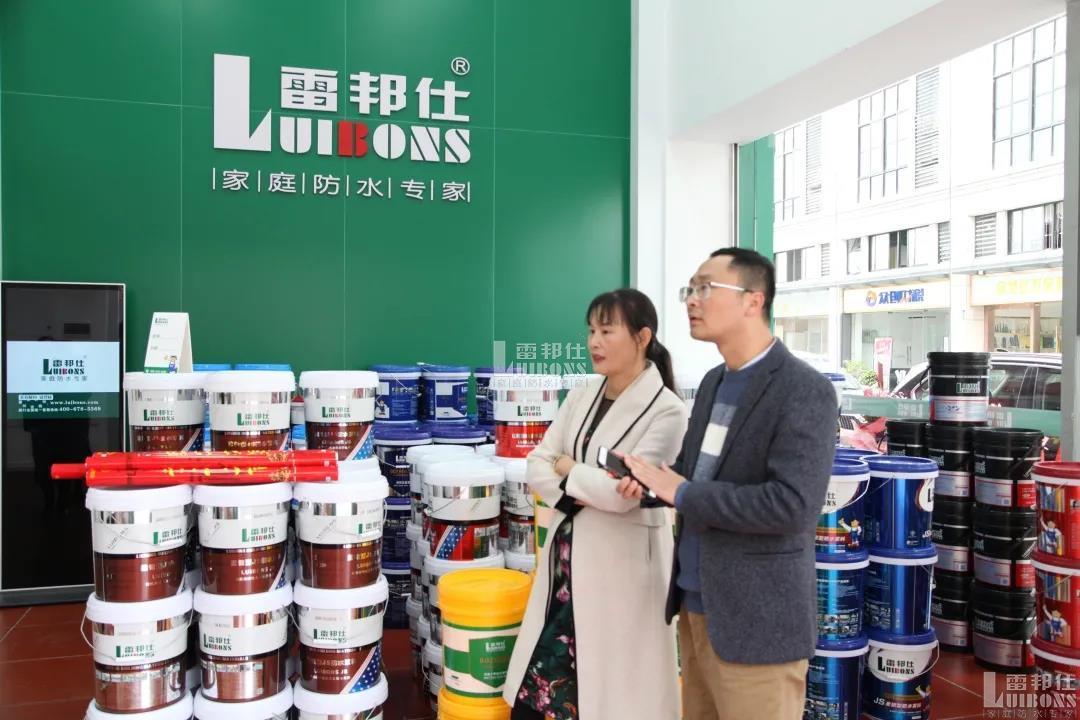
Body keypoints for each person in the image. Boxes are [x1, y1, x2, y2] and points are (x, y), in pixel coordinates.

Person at [622, 248, 837, 720]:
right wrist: (649, 483)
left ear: (752, 300)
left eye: (705, 288)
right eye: (690, 289)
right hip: (696, 606)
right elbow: (692, 474)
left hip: (757, 622)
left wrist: (681, 492)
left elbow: (792, 505)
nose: (691, 300)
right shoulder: (714, 383)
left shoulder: (803, 390)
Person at [503, 288, 687, 720]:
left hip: (622, 570)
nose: (594, 342)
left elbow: (621, 496)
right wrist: (583, 477)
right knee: (539, 695)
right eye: (590, 331)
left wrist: (567, 468)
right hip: (566, 563)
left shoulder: (669, 411)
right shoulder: (583, 393)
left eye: (607, 331)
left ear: (642, 337)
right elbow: (537, 464)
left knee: (614, 693)